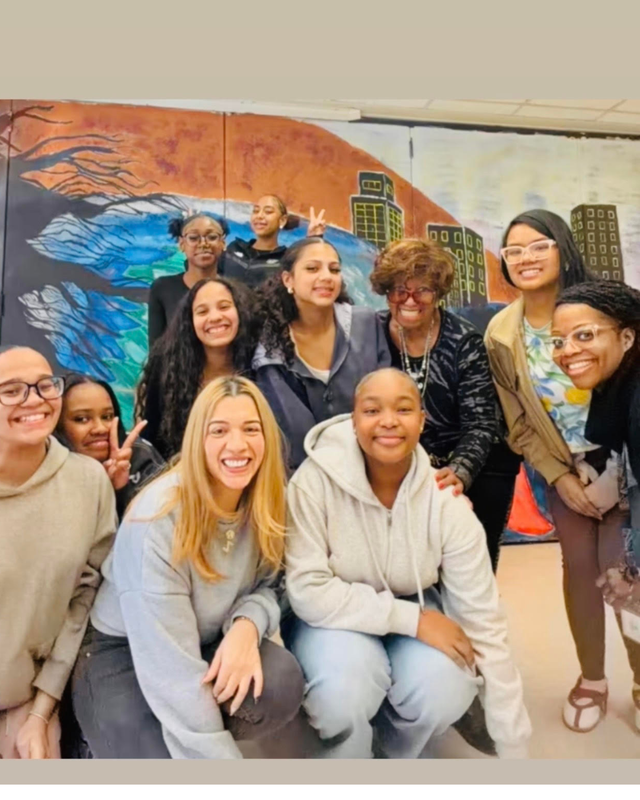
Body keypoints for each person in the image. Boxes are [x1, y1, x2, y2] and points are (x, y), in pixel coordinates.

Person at [283, 367, 531, 759]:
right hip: (331, 618)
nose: (388, 422)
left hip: (412, 601)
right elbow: (307, 591)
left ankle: (393, 753)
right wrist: (413, 621)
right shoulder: (313, 484)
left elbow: (484, 621)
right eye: (371, 410)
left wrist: (512, 742)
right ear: (352, 421)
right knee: (345, 689)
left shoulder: (446, 503)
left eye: (403, 409)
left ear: (421, 421)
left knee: (448, 685)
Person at [71, 376, 304, 759]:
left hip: (201, 635)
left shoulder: (266, 497)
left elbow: (274, 583)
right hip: (123, 651)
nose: (237, 445)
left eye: (251, 429)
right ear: (197, 439)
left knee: (277, 682)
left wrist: (247, 624)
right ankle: (100, 735)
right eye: (219, 430)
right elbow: (172, 668)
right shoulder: (159, 519)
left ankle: (173, 731)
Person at [485, 209, 640, 733]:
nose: (525, 258)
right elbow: (519, 421)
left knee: (626, 572)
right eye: (513, 251)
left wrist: (618, 472)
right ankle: (592, 679)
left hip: (626, 459)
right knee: (579, 570)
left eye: (537, 246)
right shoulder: (501, 334)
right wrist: (561, 478)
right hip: (566, 471)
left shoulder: (603, 306)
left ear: (562, 248)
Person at [371, 237, 521, 571]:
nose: (409, 300)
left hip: (477, 464)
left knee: (470, 571)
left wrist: (459, 473)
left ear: (438, 293)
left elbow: (482, 423)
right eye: (398, 289)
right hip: (404, 467)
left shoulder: (462, 340)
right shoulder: (372, 333)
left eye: (422, 290)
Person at [0, 346, 116, 759]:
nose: (33, 399)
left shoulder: (88, 483)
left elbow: (82, 602)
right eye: (11, 390)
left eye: (44, 385)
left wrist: (41, 711)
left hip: (27, 698)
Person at [552, 279, 640, 729]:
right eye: (558, 341)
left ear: (627, 336)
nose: (566, 351)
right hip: (593, 480)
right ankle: (596, 679)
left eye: (584, 335)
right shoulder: (615, 383)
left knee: (626, 578)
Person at [253, 237, 392, 470]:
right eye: (312, 268)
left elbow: (386, 397)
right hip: (300, 479)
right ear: (288, 279)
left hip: (371, 468)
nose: (327, 276)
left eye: (334, 269)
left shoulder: (366, 323)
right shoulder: (269, 347)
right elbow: (287, 434)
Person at [137, 276, 257, 462]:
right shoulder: (168, 369)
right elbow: (153, 441)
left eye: (224, 307)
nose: (215, 317)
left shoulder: (261, 366)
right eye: (202, 311)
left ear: (240, 312)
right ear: (190, 321)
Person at [56, 373, 165, 519]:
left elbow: (161, 527)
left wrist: (120, 490)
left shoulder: (140, 455)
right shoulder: (48, 469)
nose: (100, 428)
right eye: (82, 419)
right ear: (58, 425)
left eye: (107, 417)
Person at [148, 212, 229, 347]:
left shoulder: (235, 291)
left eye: (212, 237)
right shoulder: (163, 288)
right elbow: (155, 349)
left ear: (223, 243)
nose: (203, 244)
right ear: (181, 244)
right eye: (193, 238)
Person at [224, 194, 327, 288]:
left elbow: (310, 274)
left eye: (268, 212)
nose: (260, 216)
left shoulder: (286, 259)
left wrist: (314, 238)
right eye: (256, 211)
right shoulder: (234, 248)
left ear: (282, 220)